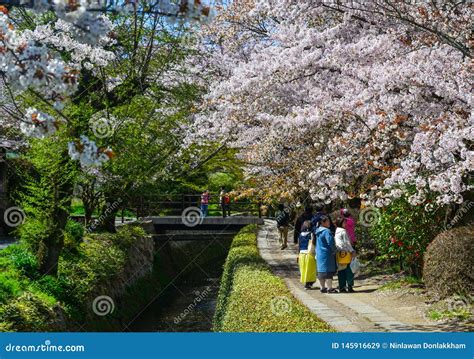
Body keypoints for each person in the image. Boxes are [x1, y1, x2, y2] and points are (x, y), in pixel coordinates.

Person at [315, 215, 337, 293]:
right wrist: (335, 250)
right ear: (323, 222)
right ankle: (329, 288)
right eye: (327, 221)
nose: (329, 223)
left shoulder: (317, 231)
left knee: (321, 271)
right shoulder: (326, 231)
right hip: (327, 254)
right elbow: (330, 242)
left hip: (319, 253)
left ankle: (322, 287)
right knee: (328, 272)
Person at [335, 216, 356, 293]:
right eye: (344, 222)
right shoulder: (343, 231)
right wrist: (352, 251)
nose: (345, 224)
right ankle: (350, 286)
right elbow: (347, 243)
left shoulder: (336, 231)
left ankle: (342, 287)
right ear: (341, 223)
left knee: (341, 271)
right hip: (346, 253)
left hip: (339, 253)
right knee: (349, 270)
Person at [297, 220, 316, 289]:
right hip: (309, 254)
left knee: (303, 269)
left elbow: (299, 246)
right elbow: (314, 244)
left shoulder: (300, 235)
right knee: (311, 270)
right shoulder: (312, 234)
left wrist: (298, 255)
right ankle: (309, 283)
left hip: (301, 254)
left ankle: (307, 283)